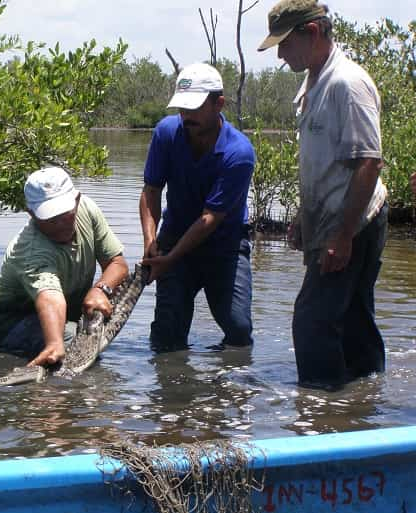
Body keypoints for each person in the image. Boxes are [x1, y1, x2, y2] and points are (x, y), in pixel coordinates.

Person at [259, 0, 388, 390]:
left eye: (285, 43)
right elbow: (322, 161)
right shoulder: (314, 80)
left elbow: (368, 163)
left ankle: (322, 410)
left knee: (312, 320)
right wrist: (304, 215)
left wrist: (342, 236)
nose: (281, 54)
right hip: (335, 218)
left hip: (354, 220)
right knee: (352, 318)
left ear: (312, 33)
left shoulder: (346, 83)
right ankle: (365, 404)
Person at [139, 62, 255, 352]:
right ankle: (174, 388)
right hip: (175, 234)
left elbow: (209, 219)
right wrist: (151, 241)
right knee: (167, 337)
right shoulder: (166, 133)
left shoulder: (238, 152)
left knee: (239, 331)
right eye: (182, 108)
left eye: (194, 108)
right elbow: (151, 191)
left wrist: (170, 259)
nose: (185, 115)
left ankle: (227, 383)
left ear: (219, 104)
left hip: (224, 247)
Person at [0, 166, 129, 368]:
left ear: (76, 200)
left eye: (65, 214)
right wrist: (54, 343)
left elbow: (117, 263)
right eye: (50, 217)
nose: (60, 224)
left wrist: (100, 289)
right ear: (31, 213)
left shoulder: (88, 210)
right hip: (6, 317)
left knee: (86, 340)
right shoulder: (31, 250)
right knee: (71, 344)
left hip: (59, 311)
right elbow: (49, 297)